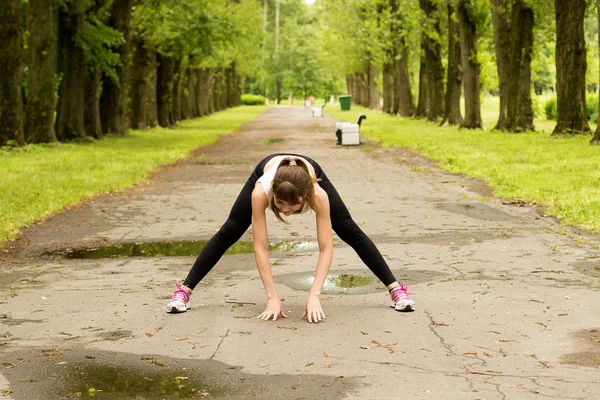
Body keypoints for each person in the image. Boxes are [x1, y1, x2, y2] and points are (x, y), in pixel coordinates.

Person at [167, 153, 415, 323]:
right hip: (269, 169)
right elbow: (261, 248)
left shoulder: (317, 193)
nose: (285, 210)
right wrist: (273, 297)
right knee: (230, 229)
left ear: (305, 197)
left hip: (308, 170)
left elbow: (326, 248)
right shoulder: (261, 191)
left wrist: (314, 294)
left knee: (349, 229)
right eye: (279, 203)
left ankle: (396, 289)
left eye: (293, 205)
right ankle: (184, 291)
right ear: (272, 194)